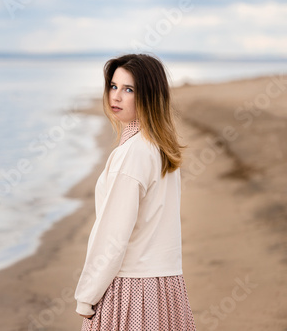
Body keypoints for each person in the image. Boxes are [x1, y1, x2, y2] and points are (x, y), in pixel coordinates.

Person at [74, 53, 196, 330]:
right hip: (167, 285)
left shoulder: (132, 154)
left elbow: (113, 235)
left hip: (131, 289)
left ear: (149, 96)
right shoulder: (160, 148)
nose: (116, 97)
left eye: (129, 89)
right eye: (113, 86)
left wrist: (87, 295)